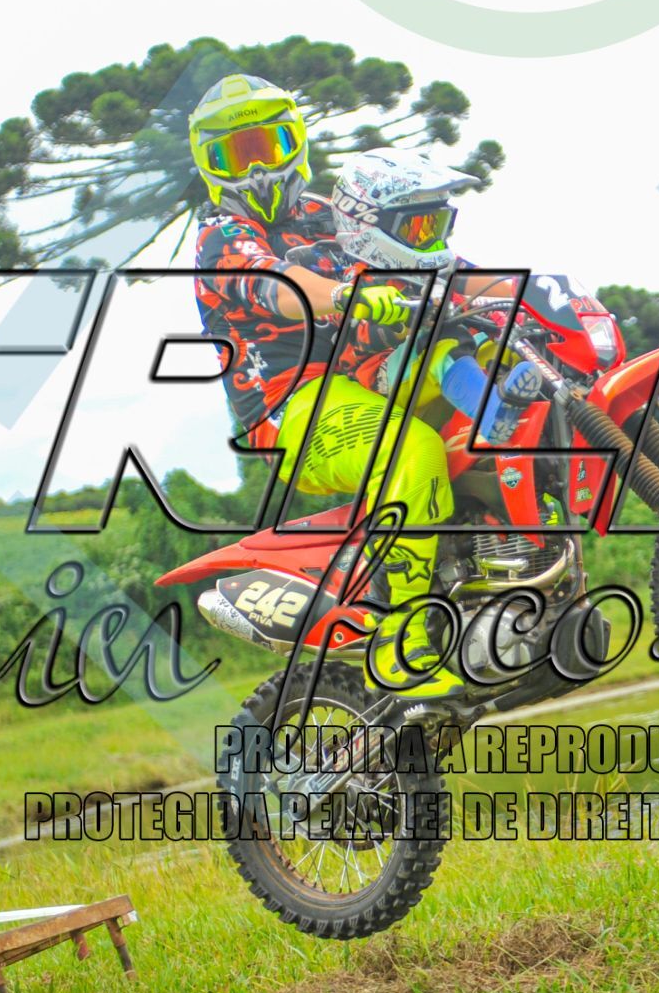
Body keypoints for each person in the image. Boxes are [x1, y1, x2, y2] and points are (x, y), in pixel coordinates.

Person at [188, 80, 482, 702]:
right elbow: (275, 283)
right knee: (411, 449)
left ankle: (508, 550)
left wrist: (503, 287)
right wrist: (347, 294)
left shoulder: (332, 213)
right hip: (293, 408)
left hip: (366, 374)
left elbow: (416, 252)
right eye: (237, 155)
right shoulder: (221, 236)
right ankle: (401, 644)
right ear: (210, 166)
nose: (258, 168)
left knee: (487, 360)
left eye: (269, 145)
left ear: (296, 142)